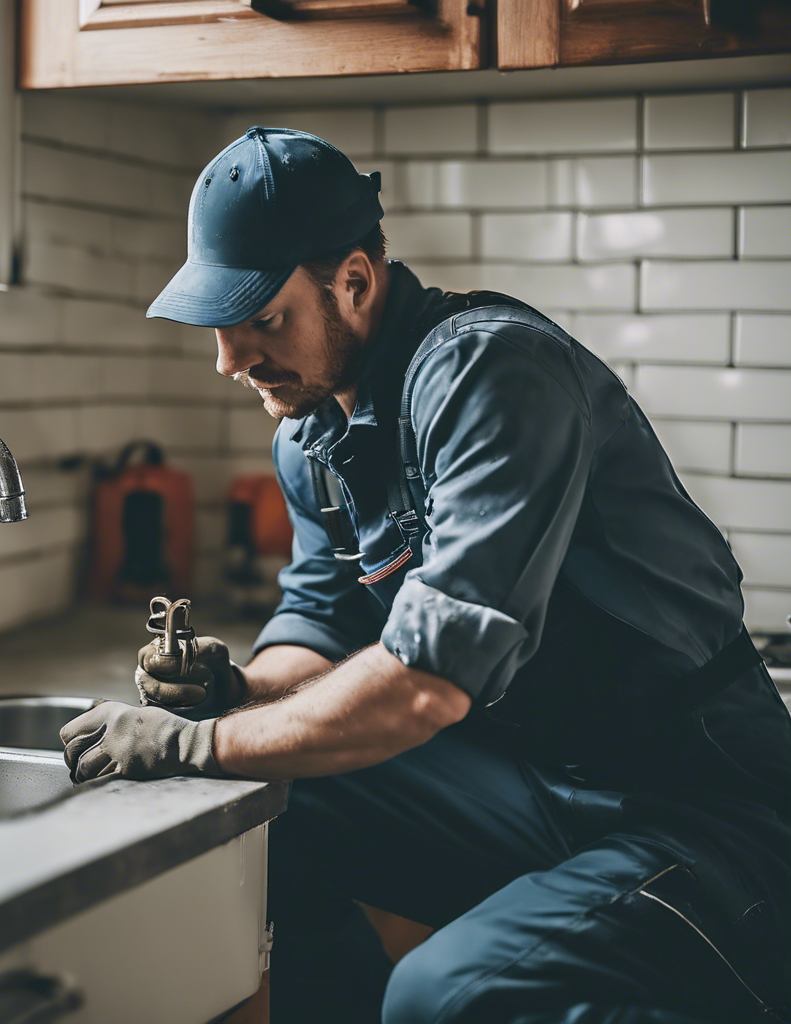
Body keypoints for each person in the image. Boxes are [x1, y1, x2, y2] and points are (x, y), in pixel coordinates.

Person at [60, 127, 791, 1024]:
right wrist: (238, 686)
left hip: (702, 814)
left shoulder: (488, 371)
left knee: (449, 994)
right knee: (266, 809)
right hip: (535, 784)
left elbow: (424, 686)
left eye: (261, 319)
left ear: (355, 283)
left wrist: (196, 742)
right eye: (220, 324)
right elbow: (320, 628)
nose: (230, 360)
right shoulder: (311, 437)